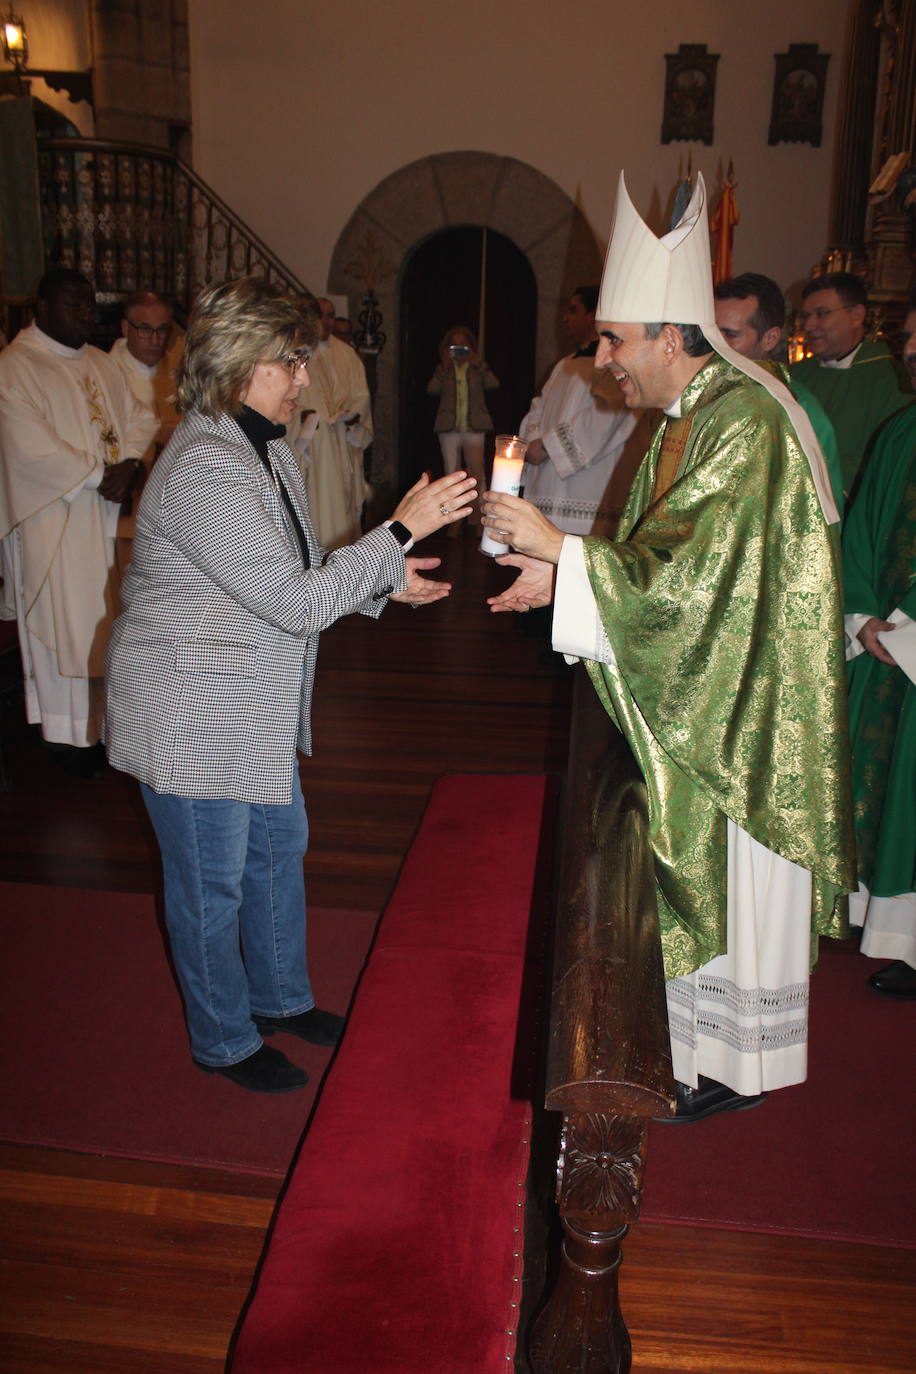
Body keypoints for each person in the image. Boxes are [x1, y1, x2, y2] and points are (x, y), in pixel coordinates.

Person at [482, 173, 855, 1122]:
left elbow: (699, 590)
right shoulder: (691, 417)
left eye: (614, 338)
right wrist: (563, 578)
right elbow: (664, 559)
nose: (602, 356)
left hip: (745, 710)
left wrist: (561, 549)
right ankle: (697, 1048)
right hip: (710, 687)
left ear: (669, 335)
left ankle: (739, 1066)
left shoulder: (742, 420)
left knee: (735, 881)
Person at [105, 277, 476, 1094]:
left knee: (277, 853)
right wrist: (400, 529)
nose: (304, 379)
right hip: (194, 708)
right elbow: (293, 600)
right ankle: (222, 1038)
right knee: (211, 887)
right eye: (291, 362)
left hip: (250, 699)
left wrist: (383, 584)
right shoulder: (205, 463)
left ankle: (278, 997)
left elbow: (292, 575)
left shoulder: (262, 446)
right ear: (241, 364)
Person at [0, 268, 157, 775]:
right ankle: (64, 736)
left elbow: (140, 416)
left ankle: (110, 729)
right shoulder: (14, 367)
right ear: (40, 309)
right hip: (56, 517)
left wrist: (131, 463)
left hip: (108, 515)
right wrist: (98, 476)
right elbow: (28, 445)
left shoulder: (100, 362)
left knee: (111, 620)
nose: (85, 315)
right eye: (73, 305)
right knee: (63, 620)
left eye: (89, 305)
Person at [842, 293, 916, 1000]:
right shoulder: (902, 430)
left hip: (910, 638)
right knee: (890, 786)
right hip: (886, 642)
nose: (914, 351)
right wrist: (865, 616)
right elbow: (861, 528)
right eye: (912, 338)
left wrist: (909, 624)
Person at [520, 286, 645, 538]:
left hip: (588, 484)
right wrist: (532, 445)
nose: (565, 317)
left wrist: (546, 447)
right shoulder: (564, 365)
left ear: (593, 316)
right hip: (546, 481)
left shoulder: (616, 366)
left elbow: (605, 415)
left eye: (574, 310)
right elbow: (538, 408)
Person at [714, 272, 844, 514]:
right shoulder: (702, 399)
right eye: (712, 332)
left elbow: (817, 518)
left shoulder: (797, 412)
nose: (715, 345)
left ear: (769, 338)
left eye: (730, 335)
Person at [791, 271, 912, 499]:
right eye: (805, 316)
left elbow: (887, 458)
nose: (809, 325)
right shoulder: (794, 375)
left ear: (856, 315)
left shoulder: (893, 380)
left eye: (822, 314)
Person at [289, 297, 373, 549]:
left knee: (341, 514)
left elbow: (358, 398)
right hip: (313, 456)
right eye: (319, 317)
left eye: (329, 316)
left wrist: (348, 418)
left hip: (338, 449)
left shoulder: (339, 355)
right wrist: (307, 419)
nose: (324, 323)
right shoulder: (295, 356)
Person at [110, 291, 181, 572]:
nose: (155, 340)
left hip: (175, 511)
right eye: (146, 330)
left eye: (163, 329)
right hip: (128, 508)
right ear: (126, 328)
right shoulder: (106, 374)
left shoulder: (181, 375)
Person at [426, 325, 498, 529]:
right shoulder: (445, 369)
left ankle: (477, 520)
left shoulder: (476, 367)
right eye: (454, 344)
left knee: (477, 473)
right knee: (451, 474)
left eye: (463, 345)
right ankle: (453, 523)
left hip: (474, 427)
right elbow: (431, 389)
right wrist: (443, 367)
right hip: (449, 428)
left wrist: (480, 364)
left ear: (471, 347)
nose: (459, 348)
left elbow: (494, 384)